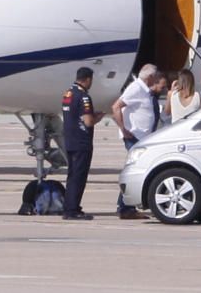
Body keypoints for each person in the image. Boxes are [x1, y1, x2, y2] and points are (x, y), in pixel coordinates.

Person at [111, 63, 165, 218]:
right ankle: (125, 208)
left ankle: (125, 207)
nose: (156, 80)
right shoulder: (136, 88)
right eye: (155, 77)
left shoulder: (144, 90)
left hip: (142, 138)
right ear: (150, 77)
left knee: (135, 170)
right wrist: (123, 129)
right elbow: (116, 107)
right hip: (134, 137)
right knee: (136, 170)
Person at [61, 66, 104, 220]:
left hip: (70, 140)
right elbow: (88, 121)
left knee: (72, 175)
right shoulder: (84, 97)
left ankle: (69, 206)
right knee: (79, 177)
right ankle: (72, 210)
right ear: (88, 79)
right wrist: (98, 117)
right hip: (81, 142)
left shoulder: (68, 93)